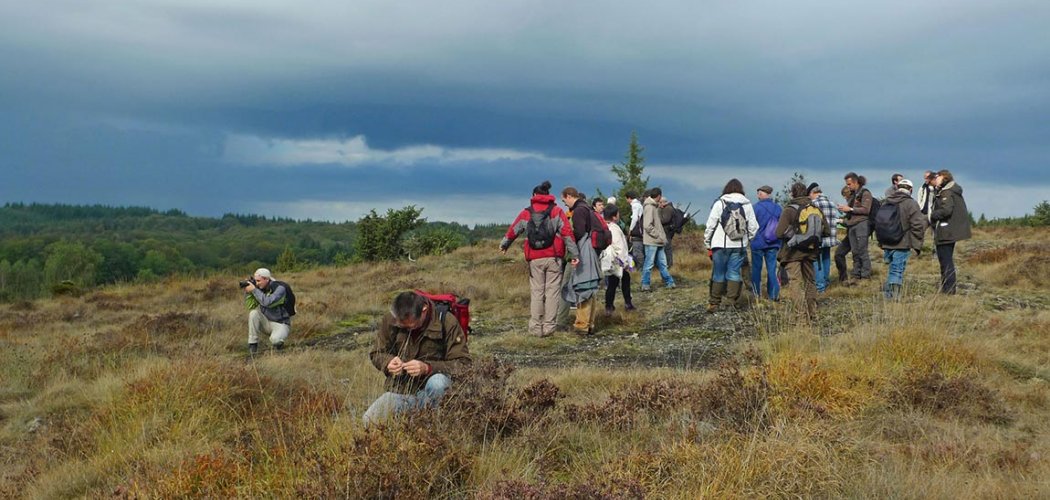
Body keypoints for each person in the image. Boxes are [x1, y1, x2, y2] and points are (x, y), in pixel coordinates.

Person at [363, 291, 471, 424]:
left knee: (438, 383)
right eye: (402, 326)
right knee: (369, 420)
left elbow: (464, 364)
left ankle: (437, 427)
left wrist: (428, 368)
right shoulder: (391, 319)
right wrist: (388, 362)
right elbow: (377, 353)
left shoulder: (447, 321)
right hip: (401, 392)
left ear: (424, 310)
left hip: (435, 392)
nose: (407, 329)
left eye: (411, 325)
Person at [499, 180, 580, 337]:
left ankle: (536, 327)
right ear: (548, 195)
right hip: (554, 257)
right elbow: (567, 233)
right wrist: (574, 254)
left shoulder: (526, 212)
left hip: (534, 258)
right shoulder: (556, 211)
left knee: (537, 292)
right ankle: (549, 327)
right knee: (552, 292)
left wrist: (504, 245)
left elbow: (514, 230)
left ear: (534, 196)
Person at [704, 179, 759, 313]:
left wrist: (707, 242)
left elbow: (710, 224)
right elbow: (754, 227)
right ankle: (731, 302)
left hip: (719, 244)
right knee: (734, 272)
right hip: (739, 245)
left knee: (719, 273)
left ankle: (714, 303)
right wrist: (747, 240)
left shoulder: (720, 203)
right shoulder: (747, 204)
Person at [776, 183, 820, 322]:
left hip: (792, 252)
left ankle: (800, 316)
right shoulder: (814, 208)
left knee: (795, 282)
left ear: (792, 193)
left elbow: (778, 233)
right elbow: (824, 230)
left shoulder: (789, 210)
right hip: (811, 251)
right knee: (810, 281)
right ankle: (813, 313)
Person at [561, 187, 602, 334]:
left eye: (564, 200)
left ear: (570, 196)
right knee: (590, 289)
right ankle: (589, 324)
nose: (564, 203)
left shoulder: (578, 211)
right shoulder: (587, 208)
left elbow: (578, 233)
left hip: (583, 251)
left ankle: (581, 325)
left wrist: (574, 254)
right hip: (590, 250)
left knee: (582, 287)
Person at [878, 179, 926, 299]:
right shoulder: (911, 203)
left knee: (892, 269)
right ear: (911, 190)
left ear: (897, 188)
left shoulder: (886, 202)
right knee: (897, 270)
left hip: (887, 241)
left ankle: (888, 294)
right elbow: (918, 225)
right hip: (902, 242)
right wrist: (917, 243)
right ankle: (894, 297)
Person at [929, 169, 972, 294]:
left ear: (944, 177)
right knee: (946, 260)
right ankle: (948, 288)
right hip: (949, 230)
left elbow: (946, 210)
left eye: (937, 176)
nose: (935, 179)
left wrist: (932, 215)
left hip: (946, 231)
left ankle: (948, 290)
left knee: (946, 261)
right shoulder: (950, 191)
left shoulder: (947, 192)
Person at [835, 172, 874, 285]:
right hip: (852, 226)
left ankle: (865, 276)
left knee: (862, 251)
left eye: (849, 184)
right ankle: (856, 275)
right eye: (847, 184)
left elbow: (866, 210)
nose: (848, 186)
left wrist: (850, 209)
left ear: (856, 182)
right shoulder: (853, 195)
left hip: (861, 225)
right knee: (855, 252)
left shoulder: (865, 193)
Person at [243, 268, 291, 355]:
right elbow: (250, 306)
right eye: (255, 281)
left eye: (259, 281)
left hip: (280, 324)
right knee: (253, 313)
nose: (257, 283)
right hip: (266, 322)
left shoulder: (280, 288)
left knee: (275, 340)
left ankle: (279, 348)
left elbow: (267, 302)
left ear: (266, 279)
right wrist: (248, 292)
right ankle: (252, 346)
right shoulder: (260, 288)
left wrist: (254, 290)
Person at [600, 205, 635, 314]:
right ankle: (623, 305)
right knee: (619, 281)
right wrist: (624, 262)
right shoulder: (614, 228)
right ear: (614, 217)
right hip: (617, 261)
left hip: (610, 260)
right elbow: (619, 246)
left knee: (613, 282)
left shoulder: (603, 226)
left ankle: (610, 306)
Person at [750, 185, 782, 301]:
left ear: (762, 194)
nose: (757, 195)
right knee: (772, 269)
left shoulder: (755, 208)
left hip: (758, 242)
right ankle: (773, 295)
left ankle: (756, 294)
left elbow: (750, 225)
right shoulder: (778, 208)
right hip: (773, 242)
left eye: (759, 193)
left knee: (756, 270)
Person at [641, 187, 676, 291]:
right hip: (652, 241)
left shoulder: (653, 207)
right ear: (659, 196)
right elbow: (647, 225)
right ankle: (645, 284)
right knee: (649, 264)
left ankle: (669, 282)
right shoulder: (650, 207)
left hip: (658, 241)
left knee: (662, 263)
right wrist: (658, 235)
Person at [807, 183, 840, 293]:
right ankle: (826, 282)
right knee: (826, 259)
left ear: (813, 193)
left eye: (809, 194)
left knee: (817, 262)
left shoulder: (814, 204)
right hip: (830, 237)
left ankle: (820, 286)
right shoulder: (831, 204)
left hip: (819, 238)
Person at [626, 191, 645, 268]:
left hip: (637, 231)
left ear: (629, 198)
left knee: (637, 251)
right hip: (640, 232)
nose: (626, 201)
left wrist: (630, 230)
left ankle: (640, 268)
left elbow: (635, 218)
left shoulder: (635, 205)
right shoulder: (639, 204)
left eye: (626, 199)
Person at [658, 197, 677, 268]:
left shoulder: (668, 209)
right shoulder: (668, 208)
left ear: (663, 202)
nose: (658, 204)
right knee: (665, 248)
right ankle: (667, 264)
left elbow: (664, 220)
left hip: (667, 232)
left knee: (667, 248)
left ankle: (669, 264)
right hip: (667, 231)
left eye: (659, 202)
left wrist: (659, 210)